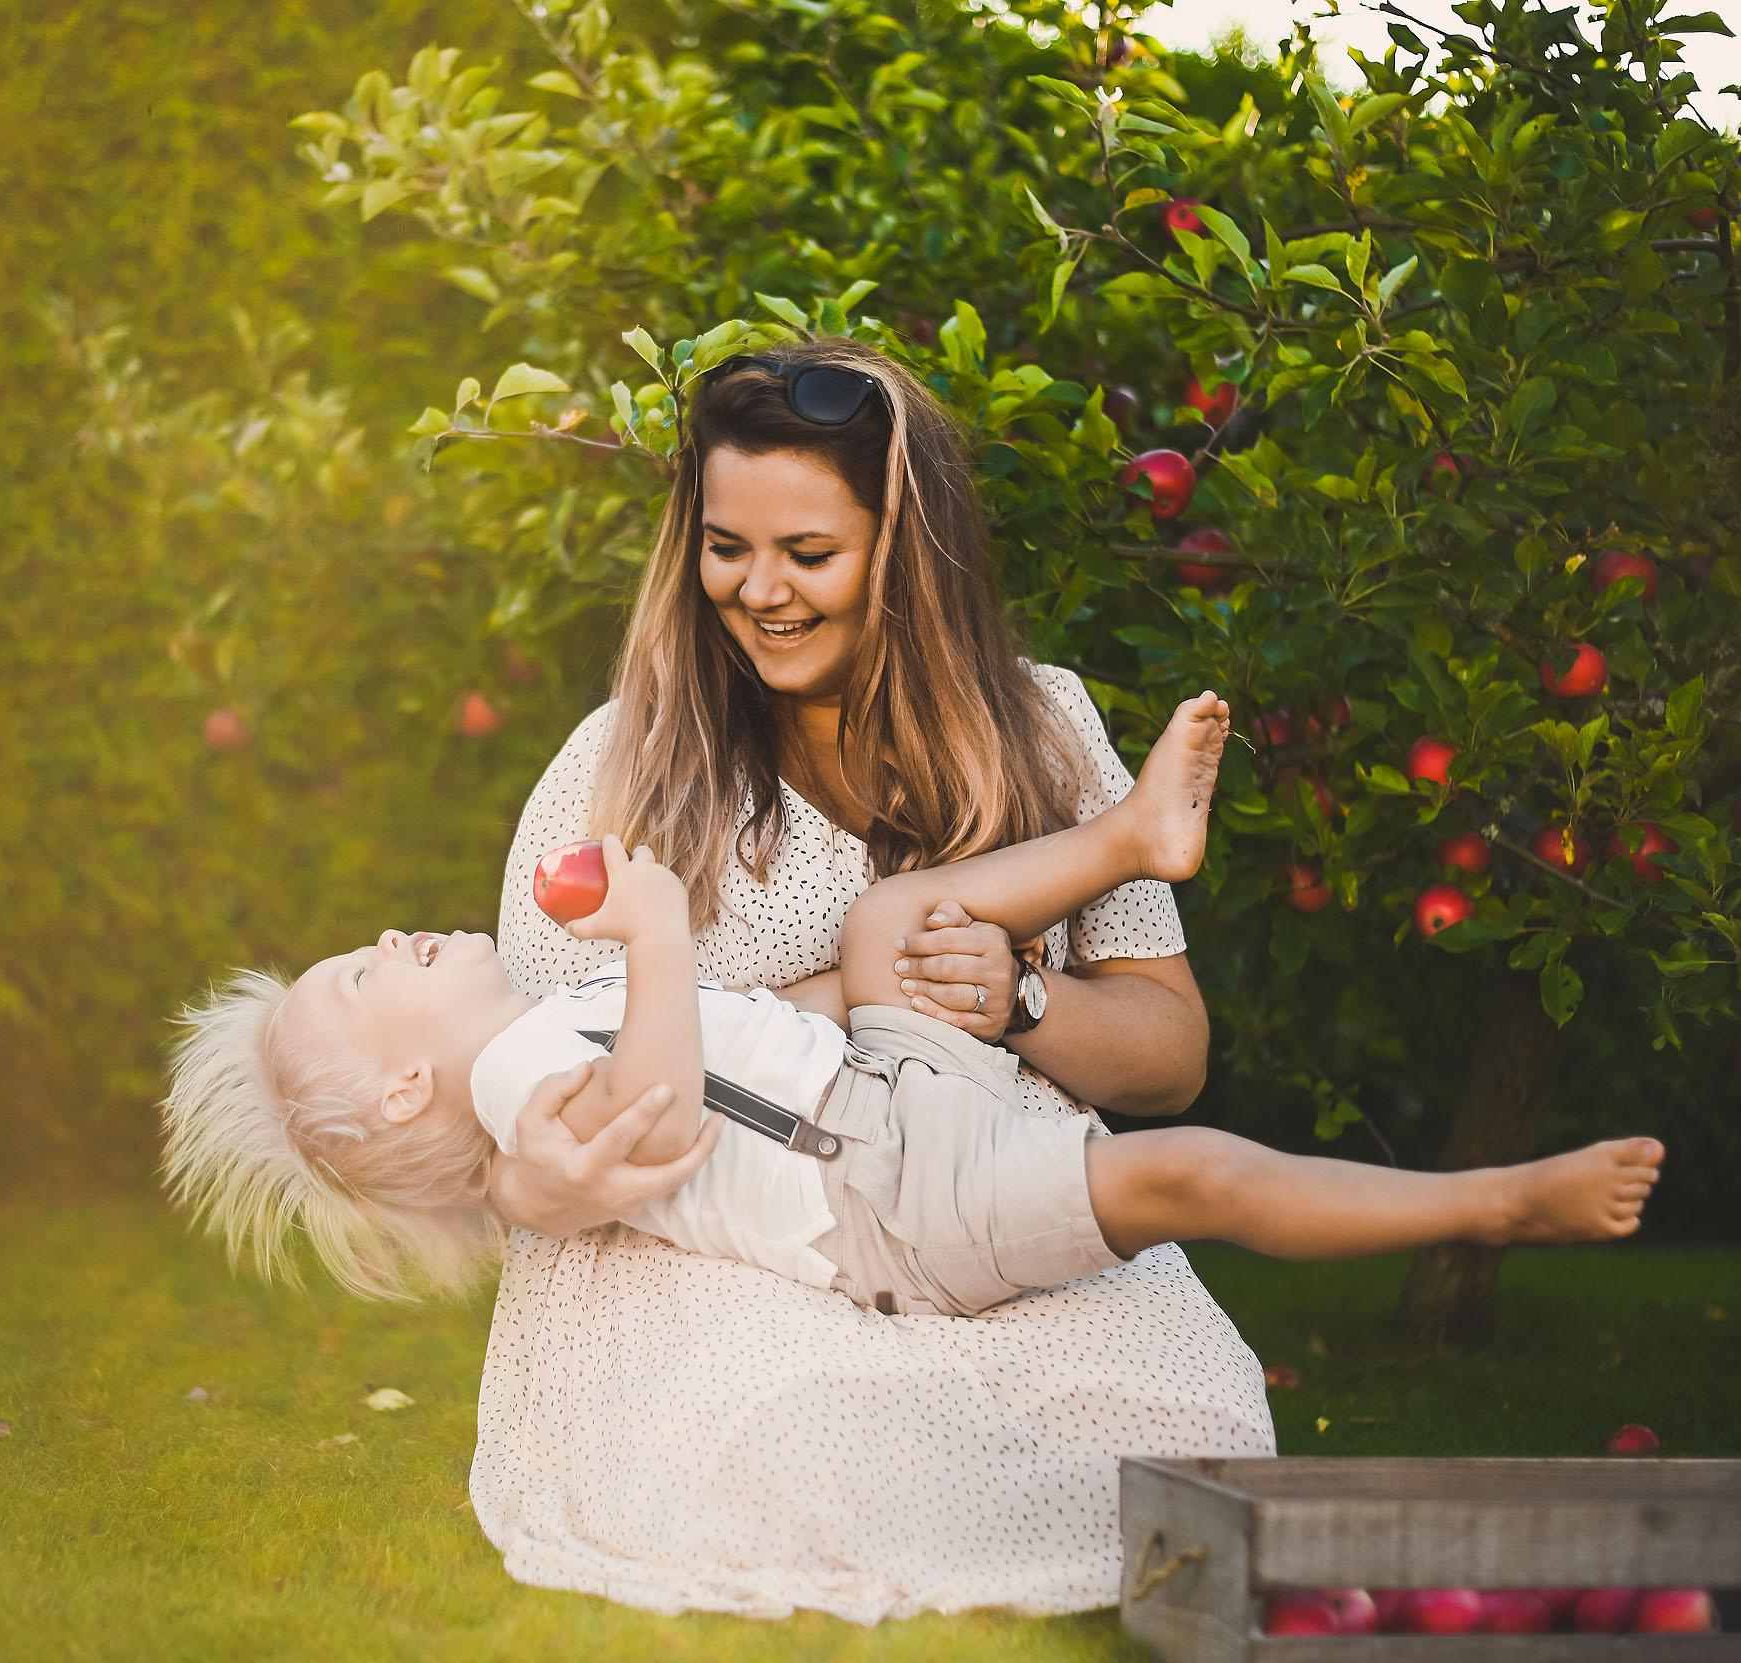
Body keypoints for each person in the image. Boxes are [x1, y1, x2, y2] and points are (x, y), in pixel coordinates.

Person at [467, 337, 1263, 1620]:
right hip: (719, 1236)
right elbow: (530, 1071)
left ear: (905, 547)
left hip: (979, 1193)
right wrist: (534, 1178)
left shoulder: (1041, 727)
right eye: (728, 548)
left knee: (1197, 1432)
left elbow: (1172, 1055)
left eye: (809, 554)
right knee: (810, 1436)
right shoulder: (622, 767)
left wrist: (1025, 1006)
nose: (760, 591)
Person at [162, 691, 1663, 1322]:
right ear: (411, 1088)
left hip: (866, 1095)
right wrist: (665, 929)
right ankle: (1483, 1200)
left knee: (893, 912)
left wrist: (981, 991)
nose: (382, 935)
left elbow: (774, 1014)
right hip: (892, 1204)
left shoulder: (553, 1027)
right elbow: (669, 1111)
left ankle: (1136, 839)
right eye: (363, 976)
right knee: (1187, 1174)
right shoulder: (518, 1085)